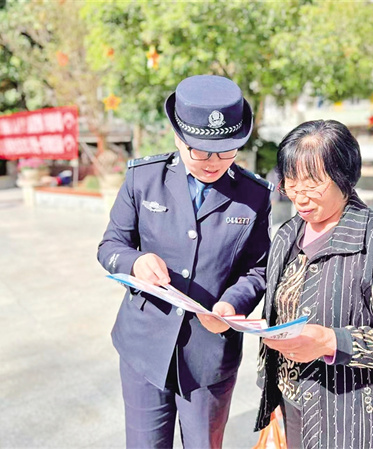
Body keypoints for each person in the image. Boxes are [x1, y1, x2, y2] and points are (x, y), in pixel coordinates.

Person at [97, 75, 273, 448]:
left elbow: (258, 269)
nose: (214, 163)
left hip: (210, 355)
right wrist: (135, 262)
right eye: (201, 152)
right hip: (144, 347)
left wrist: (231, 304)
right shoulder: (144, 179)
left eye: (226, 151)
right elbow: (111, 245)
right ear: (179, 138)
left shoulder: (253, 195)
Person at [254, 120, 373, 448]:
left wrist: (331, 341)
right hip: (292, 399)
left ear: (344, 177)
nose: (299, 196)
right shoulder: (288, 233)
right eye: (290, 182)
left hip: (351, 413)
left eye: (312, 183)